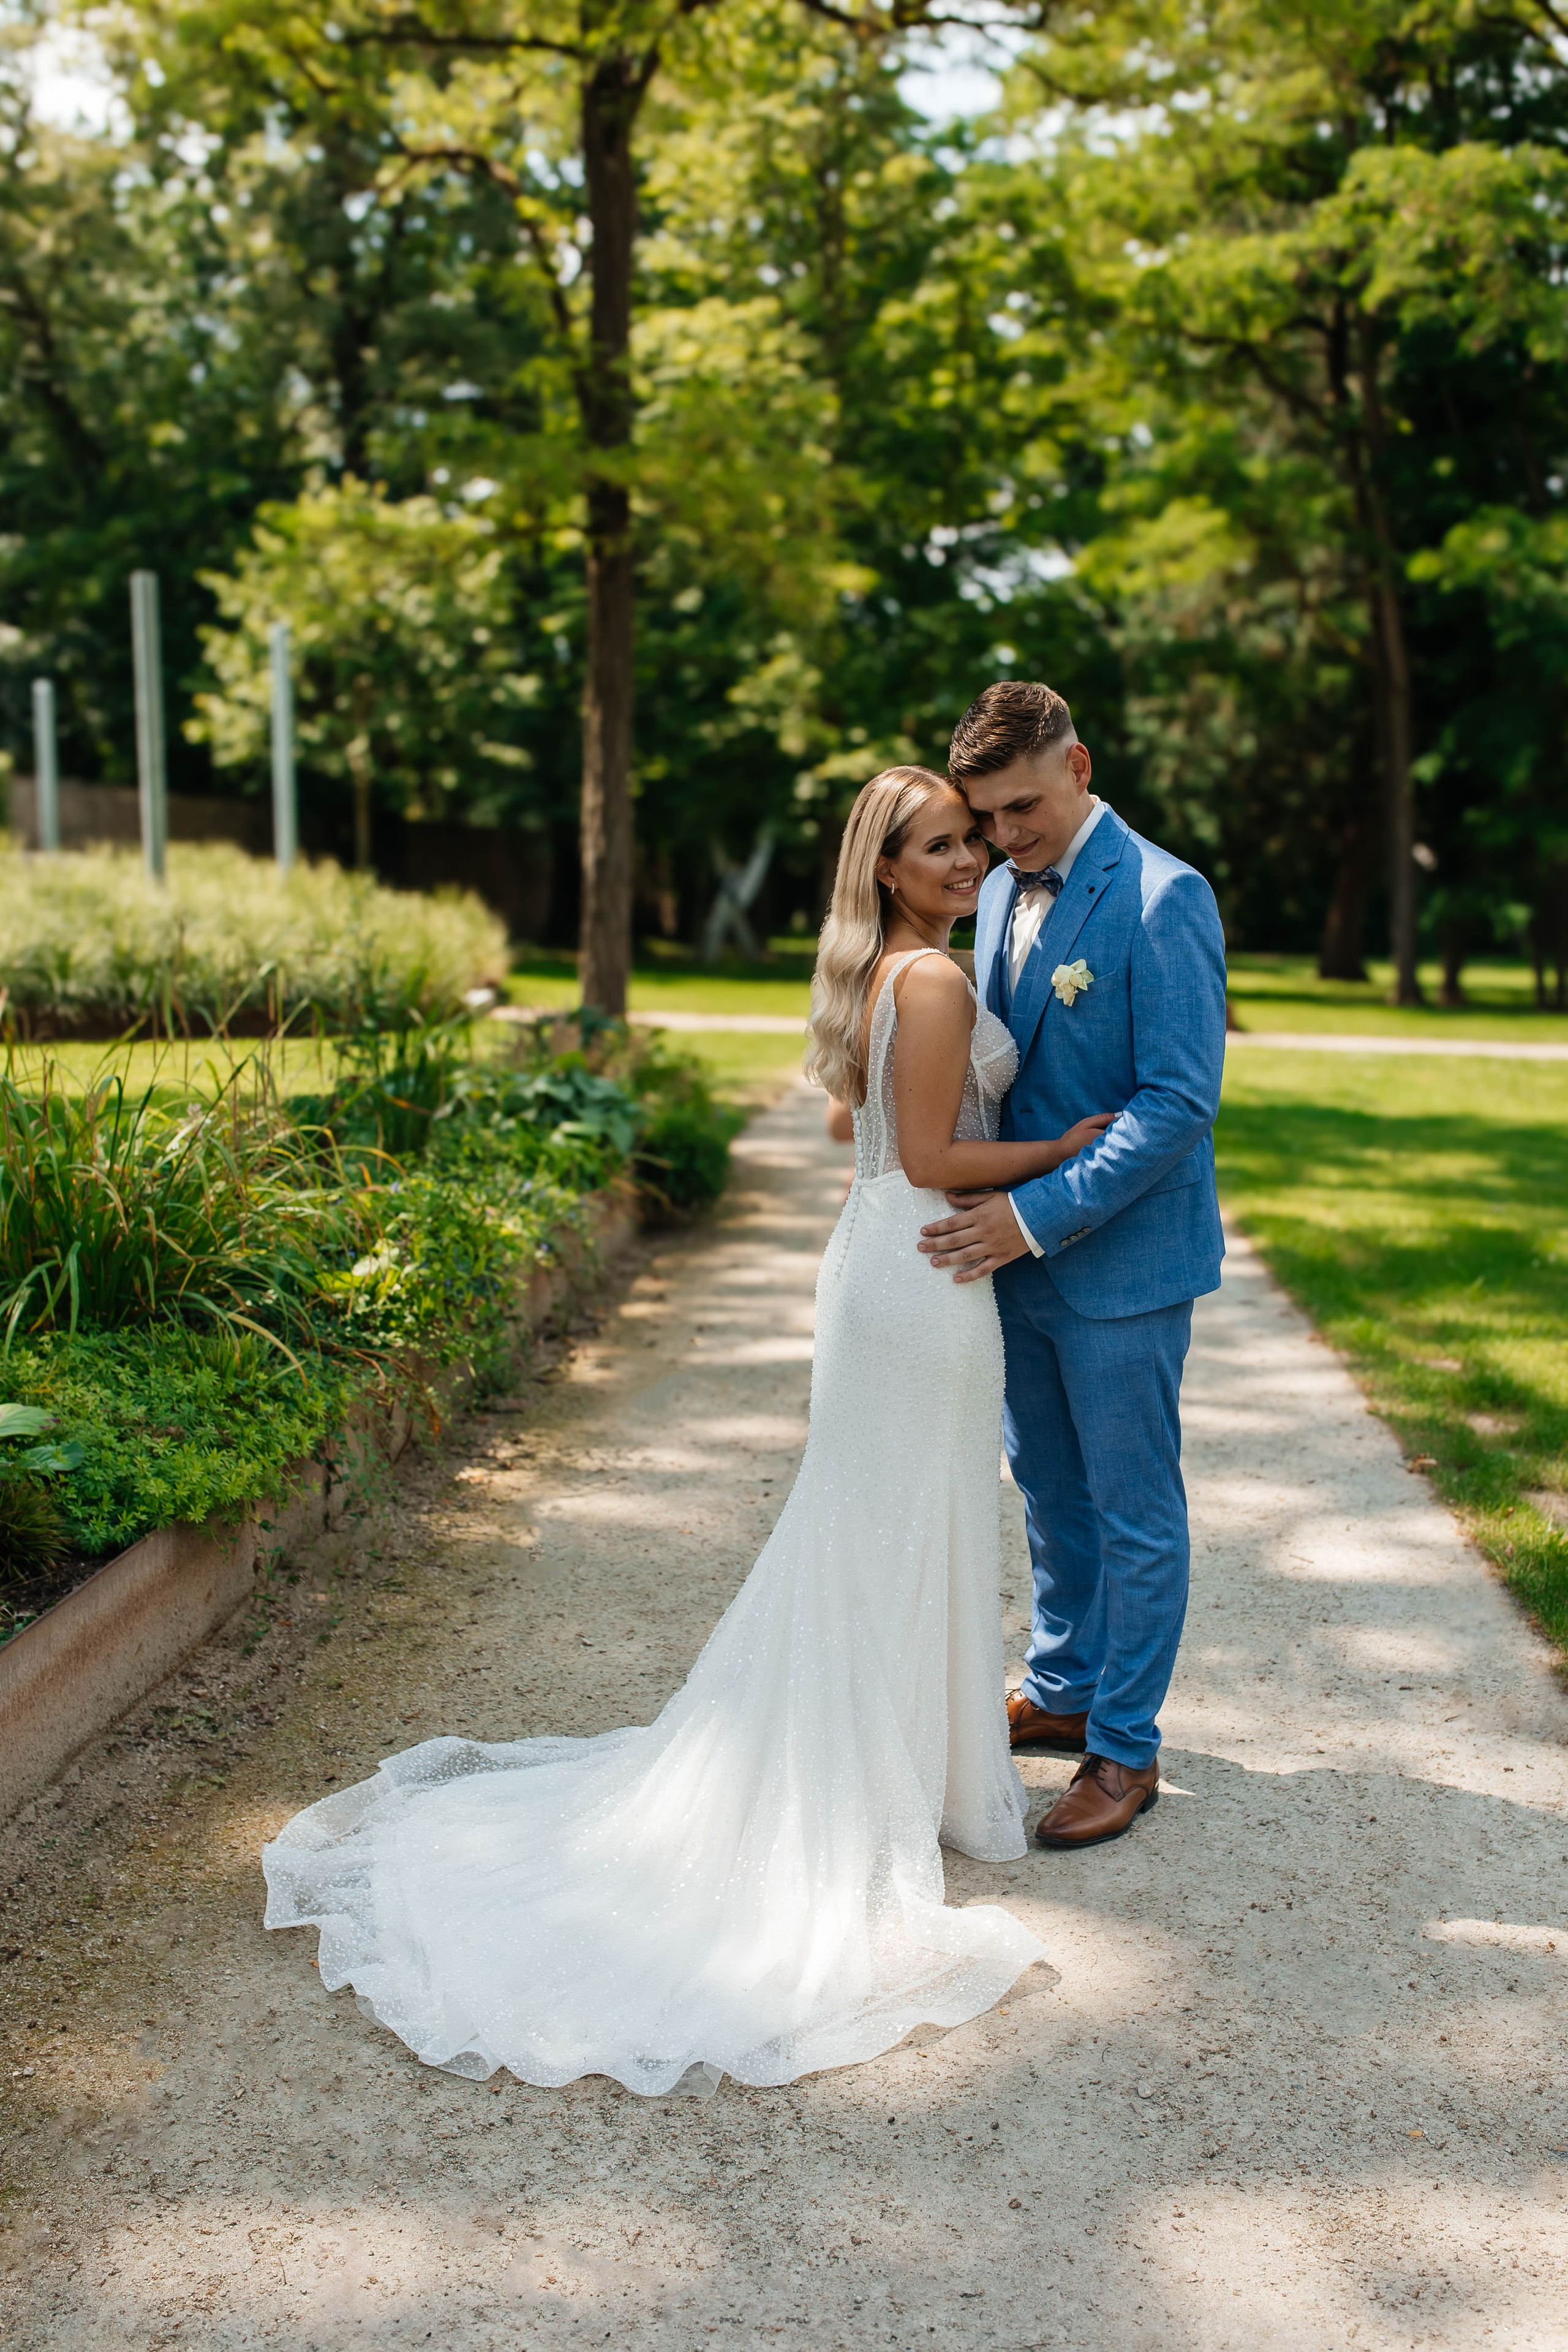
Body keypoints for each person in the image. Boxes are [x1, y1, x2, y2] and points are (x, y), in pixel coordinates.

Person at [262, 764, 1112, 2098]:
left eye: (968, 840)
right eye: (938, 845)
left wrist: (949, 1129)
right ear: (886, 869)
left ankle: (900, 1767)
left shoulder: (875, 975)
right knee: (907, 1521)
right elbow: (938, 1160)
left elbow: (856, 1125)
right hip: (928, 1269)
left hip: (877, 1266)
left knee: (873, 1523)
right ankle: (899, 1781)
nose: (965, 861)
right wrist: (1062, 1143)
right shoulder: (935, 982)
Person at [919, 682, 1227, 1850]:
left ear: (1081, 766)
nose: (1006, 836)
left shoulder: (1164, 898)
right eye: (989, 816)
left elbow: (1176, 1106)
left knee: (1134, 1509)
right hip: (1019, 1259)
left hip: (1121, 1267)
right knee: (1047, 1489)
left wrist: (1031, 1215)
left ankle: (1127, 1747)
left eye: (1024, 808)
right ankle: (1064, 1686)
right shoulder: (997, 889)